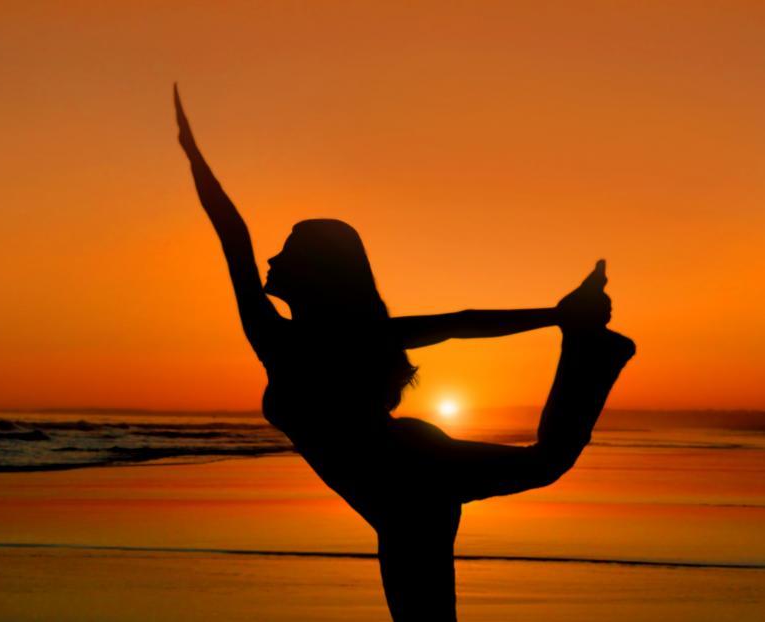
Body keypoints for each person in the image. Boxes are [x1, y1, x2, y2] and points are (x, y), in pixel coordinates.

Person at [174, 85, 636, 622]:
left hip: (409, 477)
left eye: (289, 251)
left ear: (318, 272)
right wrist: (193, 156)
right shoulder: (304, 335)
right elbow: (233, 233)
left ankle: (589, 346)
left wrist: (556, 316)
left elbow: (461, 325)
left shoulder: (306, 339)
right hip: (403, 477)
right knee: (531, 478)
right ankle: (589, 345)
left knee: (436, 597)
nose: (273, 258)